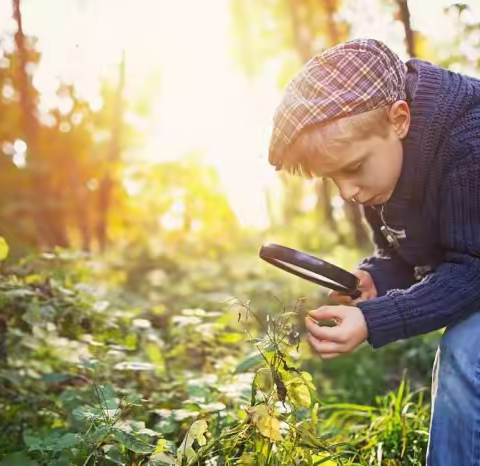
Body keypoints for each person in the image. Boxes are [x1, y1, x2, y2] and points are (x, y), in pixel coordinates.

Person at [267, 38, 480, 464]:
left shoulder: (469, 145)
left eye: (353, 169)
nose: (347, 191)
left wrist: (375, 319)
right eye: (332, 179)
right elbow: (406, 255)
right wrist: (376, 279)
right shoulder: (383, 173)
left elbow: (473, 268)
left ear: (399, 120)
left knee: (467, 351)